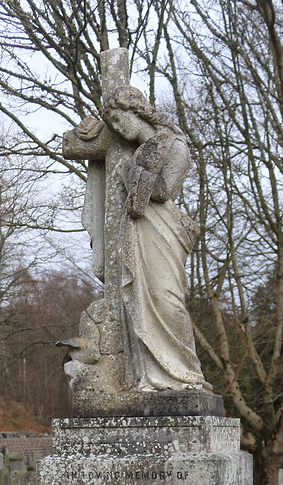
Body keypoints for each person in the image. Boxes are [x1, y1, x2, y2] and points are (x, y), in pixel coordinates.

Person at [101, 85, 209, 392]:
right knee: (139, 302)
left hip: (164, 230)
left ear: (136, 111)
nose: (117, 128)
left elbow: (164, 190)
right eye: (112, 124)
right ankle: (152, 377)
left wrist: (128, 173)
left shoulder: (174, 145)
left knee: (165, 299)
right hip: (139, 232)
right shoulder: (137, 154)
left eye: (119, 119)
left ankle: (185, 374)